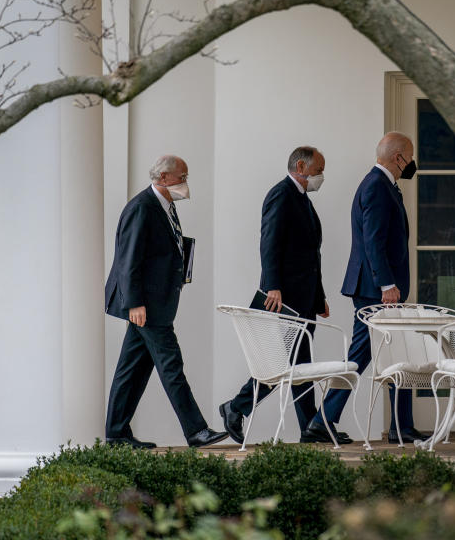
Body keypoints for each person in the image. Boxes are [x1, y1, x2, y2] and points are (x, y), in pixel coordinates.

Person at [300, 131, 425, 444]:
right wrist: (387, 284)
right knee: (361, 355)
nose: (411, 162)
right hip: (376, 290)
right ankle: (323, 421)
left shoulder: (382, 185)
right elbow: (373, 241)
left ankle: (400, 425)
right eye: (409, 156)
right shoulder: (376, 187)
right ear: (399, 158)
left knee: (397, 353)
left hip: (377, 288)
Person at [218, 147, 350, 444]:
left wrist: (319, 296)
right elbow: (270, 242)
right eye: (318, 170)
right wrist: (273, 286)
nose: (321, 177)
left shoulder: (302, 199)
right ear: (301, 166)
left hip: (304, 297)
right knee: (284, 365)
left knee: (299, 365)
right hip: (284, 297)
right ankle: (236, 406)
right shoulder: (281, 194)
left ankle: (310, 428)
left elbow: (310, 256)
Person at [104, 155, 228, 449]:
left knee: (131, 369)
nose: (185, 183)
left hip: (155, 303)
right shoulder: (141, 208)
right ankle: (196, 430)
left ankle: (116, 434)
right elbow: (128, 260)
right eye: (181, 177)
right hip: (146, 305)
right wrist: (135, 303)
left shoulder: (164, 206)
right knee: (171, 365)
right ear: (162, 178)